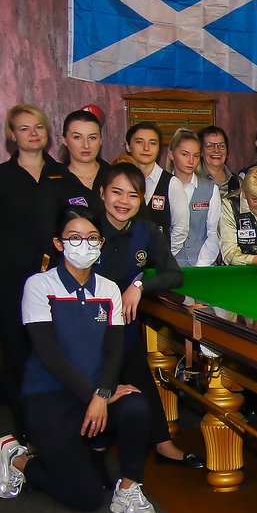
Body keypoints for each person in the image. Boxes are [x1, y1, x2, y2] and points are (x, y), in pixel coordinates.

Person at [0, 206, 157, 513]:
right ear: (58, 243)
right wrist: (96, 395)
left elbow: (114, 350)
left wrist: (104, 392)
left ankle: (128, 488)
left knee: (136, 405)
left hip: (94, 395)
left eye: (92, 238)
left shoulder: (109, 290)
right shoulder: (39, 287)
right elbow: (49, 354)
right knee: (87, 497)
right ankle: (19, 460)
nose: (85, 244)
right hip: (49, 397)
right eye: (74, 238)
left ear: (102, 243)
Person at [93, 165, 196, 467]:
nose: (123, 201)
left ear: (141, 200)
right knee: (107, 380)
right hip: (86, 328)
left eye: (132, 195)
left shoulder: (146, 230)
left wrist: (139, 285)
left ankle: (162, 443)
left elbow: (174, 275)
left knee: (138, 374)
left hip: (124, 325)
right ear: (102, 193)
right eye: (116, 192)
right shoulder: (87, 226)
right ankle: (95, 445)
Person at [0, 104, 64, 444]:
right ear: (13, 135)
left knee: (55, 352)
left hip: (56, 278)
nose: (32, 133)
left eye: (38, 126)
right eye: (24, 128)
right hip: (11, 279)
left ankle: (57, 427)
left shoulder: (61, 174)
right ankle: (26, 431)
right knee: (17, 355)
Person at [125, 121, 187, 255]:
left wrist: (164, 257)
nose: (146, 148)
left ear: (159, 148)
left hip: (158, 265)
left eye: (152, 143)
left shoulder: (172, 183)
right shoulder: (117, 182)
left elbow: (180, 229)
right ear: (128, 146)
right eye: (139, 142)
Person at [168, 128, 221, 267]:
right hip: (170, 266)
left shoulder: (210, 189)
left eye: (196, 156)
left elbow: (214, 234)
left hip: (204, 266)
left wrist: (200, 266)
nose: (191, 161)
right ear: (171, 154)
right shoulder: (162, 188)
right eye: (185, 154)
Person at [54, 109, 108, 217]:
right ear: (64, 140)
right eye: (77, 137)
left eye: (92, 138)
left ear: (101, 140)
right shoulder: (53, 181)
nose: (86, 145)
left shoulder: (115, 176)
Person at [198, 125, 240, 195]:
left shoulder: (238, 182)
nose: (217, 150)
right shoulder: (194, 180)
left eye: (221, 145)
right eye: (210, 146)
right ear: (201, 151)